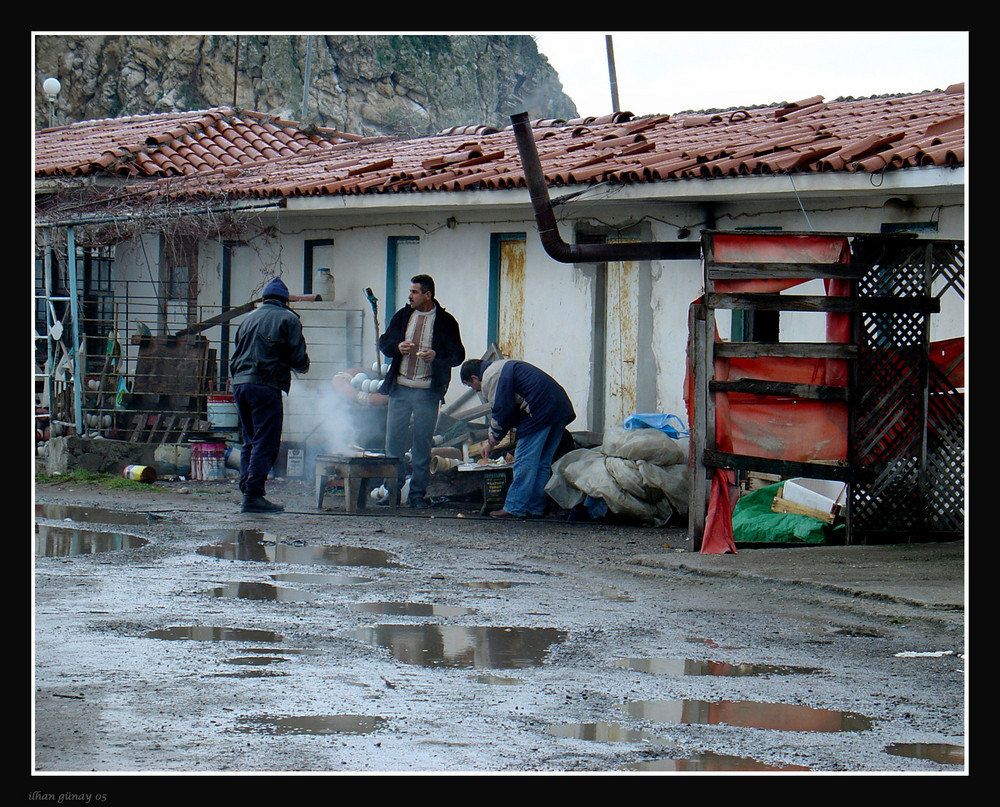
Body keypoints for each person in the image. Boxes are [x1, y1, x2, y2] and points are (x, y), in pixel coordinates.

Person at [378, 274, 465, 508]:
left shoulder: (446, 322)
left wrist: (436, 356)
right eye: (410, 291)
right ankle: (392, 491)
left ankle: (417, 494)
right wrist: (397, 347)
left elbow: (458, 356)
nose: (410, 296)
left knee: (422, 444)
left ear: (428, 295)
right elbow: (383, 342)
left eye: (415, 292)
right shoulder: (403, 316)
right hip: (400, 388)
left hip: (428, 391)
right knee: (393, 443)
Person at [230, 277, 310, 513]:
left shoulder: (248, 319)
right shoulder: (288, 319)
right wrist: (303, 366)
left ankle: (247, 490)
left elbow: (237, 353)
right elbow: (297, 357)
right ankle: (254, 495)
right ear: (285, 301)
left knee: (250, 440)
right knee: (266, 441)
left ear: (264, 299)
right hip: (265, 385)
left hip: (240, 385)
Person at [460, 358, 575, 519]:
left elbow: (501, 411)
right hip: (559, 407)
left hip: (540, 410)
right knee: (542, 462)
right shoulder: (501, 366)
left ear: (474, 378)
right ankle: (536, 507)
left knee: (523, 460)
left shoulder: (491, 376)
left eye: (470, 385)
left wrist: (491, 441)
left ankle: (515, 507)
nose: (474, 390)